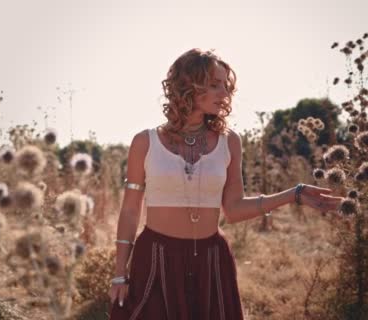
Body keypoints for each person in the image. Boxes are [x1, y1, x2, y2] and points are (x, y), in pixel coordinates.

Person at [107, 48, 344, 320]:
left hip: (211, 260)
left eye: (226, 86)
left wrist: (294, 194)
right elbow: (129, 211)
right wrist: (119, 274)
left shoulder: (229, 141)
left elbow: (233, 209)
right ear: (187, 85)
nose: (225, 93)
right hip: (156, 259)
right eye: (214, 85)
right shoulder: (144, 142)